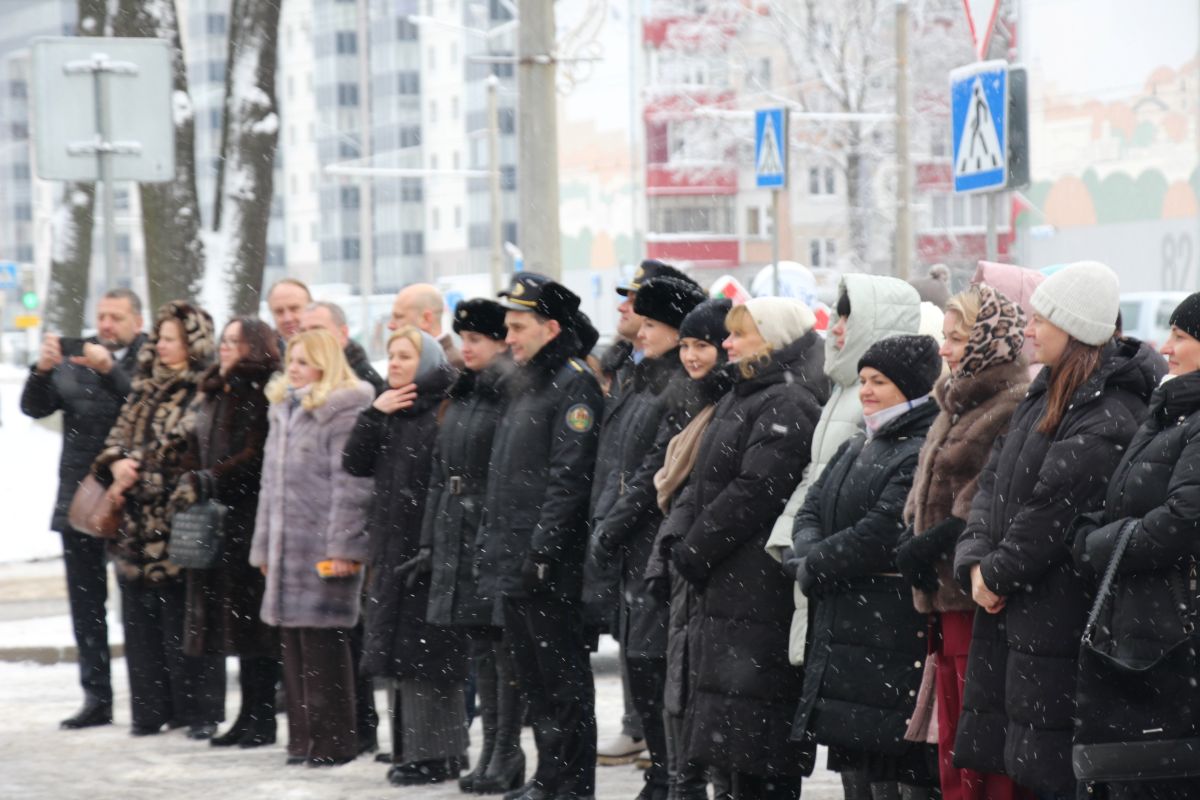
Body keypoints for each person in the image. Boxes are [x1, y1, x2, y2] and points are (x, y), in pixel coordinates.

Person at [953, 262, 1164, 798]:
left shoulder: (1111, 411)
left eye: (1041, 319)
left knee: (1056, 771)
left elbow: (1052, 512)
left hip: (1058, 616)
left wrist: (994, 576)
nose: (1028, 329)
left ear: (1075, 329)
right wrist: (975, 562)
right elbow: (991, 483)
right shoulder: (1045, 392)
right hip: (1022, 612)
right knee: (1030, 763)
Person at [670, 298, 830, 799]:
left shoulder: (785, 402)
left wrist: (695, 549)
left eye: (740, 335)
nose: (728, 345)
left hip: (756, 589)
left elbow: (755, 491)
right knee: (734, 738)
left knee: (758, 737)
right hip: (731, 587)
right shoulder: (748, 394)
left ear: (774, 340)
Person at [894, 286, 1033, 800]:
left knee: (978, 736)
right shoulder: (951, 401)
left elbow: (983, 502)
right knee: (952, 733)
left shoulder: (1007, 405)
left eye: (958, 337)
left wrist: (932, 543)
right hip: (944, 593)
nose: (945, 349)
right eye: (945, 337)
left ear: (989, 340)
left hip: (976, 593)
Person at [791, 335, 944, 800]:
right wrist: (810, 554)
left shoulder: (918, 447)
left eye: (879, 381)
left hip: (888, 633)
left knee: (894, 769)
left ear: (912, 387)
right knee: (858, 767)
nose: (867, 390)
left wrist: (813, 563)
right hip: (848, 630)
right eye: (862, 380)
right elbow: (809, 510)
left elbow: (882, 533)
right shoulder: (857, 444)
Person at [1066, 293, 1200, 800]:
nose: (1168, 347)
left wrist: (1098, 546)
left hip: (1175, 632)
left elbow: (1183, 522)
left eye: (1183, 337)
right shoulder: (1168, 413)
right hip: (1139, 626)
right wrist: (1087, 534)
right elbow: (1124, 503)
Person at [476, 273, 602, 800]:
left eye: (518, 326)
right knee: (533, 681)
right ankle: (549, 778)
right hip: (515, 557)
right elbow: (510, 480)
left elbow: (568, 478)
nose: (509, 337)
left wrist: (543, 551)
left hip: (548, 564)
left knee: (563, 682)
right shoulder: (528, 381)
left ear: (550, 328)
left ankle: (571, 784)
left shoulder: (574, 382)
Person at [588, 277, 708, 800]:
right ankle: (663, 772)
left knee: (657, 665)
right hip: (633, 546)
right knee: (640, 663)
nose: (641, 331)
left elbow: (654, 469)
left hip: (656, 544)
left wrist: (613, 522)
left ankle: (672, 776)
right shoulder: (642, 378)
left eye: (653, 324)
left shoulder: (679, 386)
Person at [90, 300, 224, 738]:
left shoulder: (203, 389)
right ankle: (150, 709)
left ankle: (198, 711)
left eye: (172, 339)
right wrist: (116, 464)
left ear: (192, 343)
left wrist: (138, 465)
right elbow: (114, 441)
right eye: (161, 338)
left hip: (178, 523)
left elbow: (183, 446)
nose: (161, 346)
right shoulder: (144, 388)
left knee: (186, 621)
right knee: (140, 623)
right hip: (134, 526)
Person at [19, 288, 146, 730]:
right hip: (79, 499)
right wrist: (42, 370)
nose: (107, 325)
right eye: (102, 316)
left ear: (137, 320)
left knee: (140, 605)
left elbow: (141, 400)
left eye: (117, 317)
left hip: (134, 500)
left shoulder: (148, 357)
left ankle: (153, 698)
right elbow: (33, 407)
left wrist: (111, 370)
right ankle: (97, 696)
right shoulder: (77, 361)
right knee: (86, 605)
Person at [344, 325, 464, 786]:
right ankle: (414, 748)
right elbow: (354, 462)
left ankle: (441, 753)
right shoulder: (394, 410)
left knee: (430, 657)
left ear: (428, 362)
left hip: (427, 550)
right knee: (398, 655)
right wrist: (373, 414)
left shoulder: (441, 409)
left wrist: (435, 544)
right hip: (393, 549)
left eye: (404, 356)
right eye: (390, 356)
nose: (392, 364)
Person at [250, 329, 375, 767]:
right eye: (292, 360)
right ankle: (302, 739)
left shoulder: (342, 408)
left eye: (304, 361)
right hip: (288, 549)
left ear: (326, 363)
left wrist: (344, 547)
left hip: (322, 546)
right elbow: (270, 487)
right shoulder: (284, 407)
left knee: (325, 649)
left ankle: (335, 741)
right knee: (295, 648)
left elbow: (352, 486)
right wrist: (265, 548)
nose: (294, 368)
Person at [419, 299, 524, 794]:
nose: (466, 348)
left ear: (501, 341)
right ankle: (490, 750)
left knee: (505, 649)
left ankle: (508, 750)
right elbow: (441, 474)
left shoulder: (509, 393)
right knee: (481, 648)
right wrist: (430, 542)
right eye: (463, 339)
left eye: (476, 339)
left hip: (490, 528)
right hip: (457, 530)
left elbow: (509, 471)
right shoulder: (464, 392)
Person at [173, 317, 281, 749]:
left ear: (254, 345)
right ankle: (247, 715)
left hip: (248, 519)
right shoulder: (215, 389)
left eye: (235, 341)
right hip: (221, 521)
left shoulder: (260, 388)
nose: (225, 347)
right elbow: (196, 444)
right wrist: (193, 473)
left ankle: (262, 717)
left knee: (257, 630)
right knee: (236, 628)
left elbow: (255, 456)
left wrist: (213, 478)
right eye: (224, 340)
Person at [643, 297, 733, 800]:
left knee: (701, 686)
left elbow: (709, 489)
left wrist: (682, 547)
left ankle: (690, 782)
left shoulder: (723, 403)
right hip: (682, 555)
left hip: (705, 560)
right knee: (678, 682)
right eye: (686, 346)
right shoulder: (694, 399)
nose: (692, 356)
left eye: (703, 345)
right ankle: (681, 781)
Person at [297, 299, 382, 755]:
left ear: (343, 334)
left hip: (343, 536)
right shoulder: (304, 389)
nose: (305, 336)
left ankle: (358, 727)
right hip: (309, 535)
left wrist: (343, 541)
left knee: (351, 636)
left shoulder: (355, 389)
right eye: (301, 328)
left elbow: (352, 480)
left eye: (318, 329)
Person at [300, 300, 386, 394]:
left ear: (343, 333)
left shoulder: (364, 384)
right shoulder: (297, 374)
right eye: (303, 332)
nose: (308, 338)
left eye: (317, 330)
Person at [388, 282, 465, 369]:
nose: (390, 326)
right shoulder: (439, 361)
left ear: (426, 319)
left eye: (399, 317)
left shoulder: (451, 364)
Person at [265, 278, 312, 344]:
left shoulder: (330, 349)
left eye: (294, 309)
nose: (288, 319)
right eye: (279, 311)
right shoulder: (264, 351)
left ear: (312, 308)